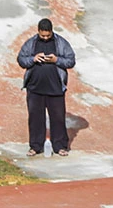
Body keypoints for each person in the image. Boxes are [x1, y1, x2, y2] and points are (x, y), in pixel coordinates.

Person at [16, 18, 76, 157]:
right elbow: (21, 59)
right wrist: (33, 59)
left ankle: (60, 146)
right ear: (38, 32)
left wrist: (57, 60)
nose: (45, 38)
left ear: (51, 31)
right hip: (35, 88)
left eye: (47, 35)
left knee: (58, 118)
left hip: (55, 89)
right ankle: (35, 146)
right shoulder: (31, 43)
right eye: (42, 35)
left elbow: (71, 60)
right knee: (35, 118)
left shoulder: (61, 43)